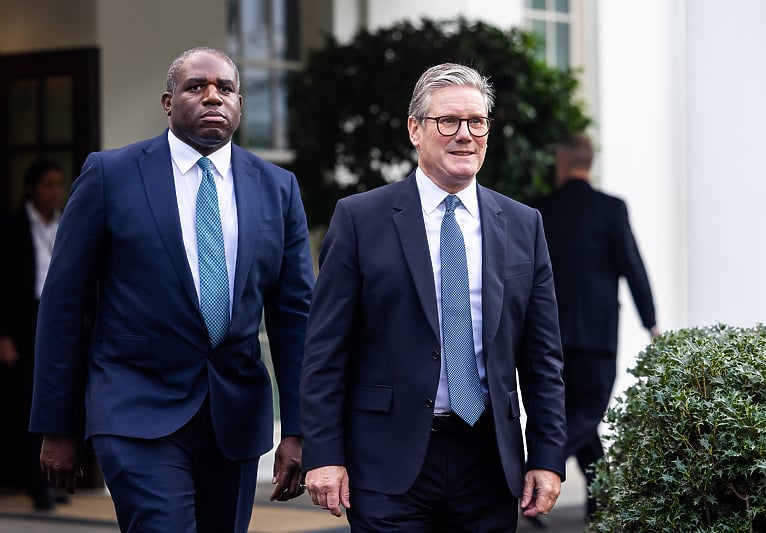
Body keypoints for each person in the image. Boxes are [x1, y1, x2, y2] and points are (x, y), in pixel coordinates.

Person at [29, 47, 315, 532]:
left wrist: (303, 428)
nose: (212, 97)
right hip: (135, 407)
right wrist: (57, 423)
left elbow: (295, 318)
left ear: (240, 104)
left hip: (236, 416)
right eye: (196, 87)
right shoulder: (110, 175)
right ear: (168, 101)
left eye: (225, 89)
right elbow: (63, 304)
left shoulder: (277, 188)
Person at [300, 63, 566, 532]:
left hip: (488, 461)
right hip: (386, 463)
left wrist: (547, 455)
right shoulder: (360, 219)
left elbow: (543, 357)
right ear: (415, 130)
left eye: (477, 121)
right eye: (448, 121)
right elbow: (325, 351)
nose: (465, 135)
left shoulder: (525, 225)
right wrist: (323, 454)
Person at [535, 132, 659, 518]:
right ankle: (532, 473)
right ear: (589, 163)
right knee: (588, 413)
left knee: (574, 414)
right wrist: (652, 323)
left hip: (548, 334)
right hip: (596, 335)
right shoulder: (610, 209)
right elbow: (632, 267)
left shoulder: (542, 209)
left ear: (562, 163)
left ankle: (598, 494)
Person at [0, 159, 68, 510]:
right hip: (24, 321)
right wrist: (4, 335)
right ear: (32, 188)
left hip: (60, 319)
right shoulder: (12, 227)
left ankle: (55, 479)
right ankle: (33, 485)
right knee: (30, 404)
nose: (55, 192)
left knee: (61, 397)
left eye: (59, 185)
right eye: (48, 185)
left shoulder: (65, 223)